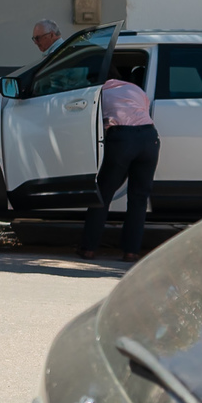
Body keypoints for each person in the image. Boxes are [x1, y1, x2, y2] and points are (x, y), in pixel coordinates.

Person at [77, 69, 160, 262]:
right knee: (139, 199)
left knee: (103, 195)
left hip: (122, 138)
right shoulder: (136, 89)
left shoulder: (98, 93)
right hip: (149, 138)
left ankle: (88, 248)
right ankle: (131, 252)